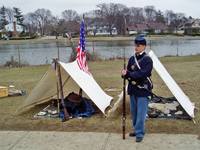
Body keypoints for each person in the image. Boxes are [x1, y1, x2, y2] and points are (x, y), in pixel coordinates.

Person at [121, 36, 153, 142]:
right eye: (135, 45)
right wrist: (123, 74)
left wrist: (129, 73)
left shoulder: (147, 60)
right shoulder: (132, 59)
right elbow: (128, 73)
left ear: (144, 46)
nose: (136, 47)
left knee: (141, 113)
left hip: (143, 89)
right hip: (133, 89)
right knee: (134, 112)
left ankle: (139, 132)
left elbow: (142, 75)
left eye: (138, 46)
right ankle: (137, 129)